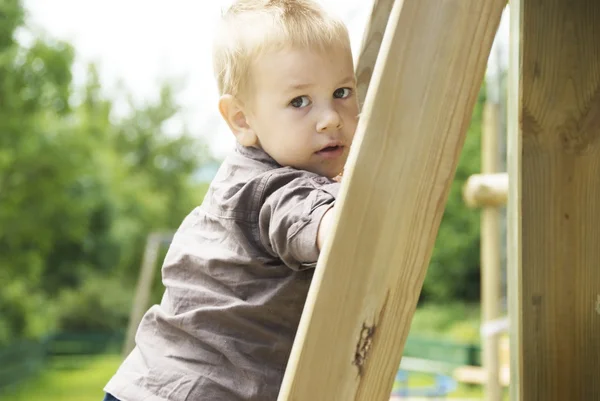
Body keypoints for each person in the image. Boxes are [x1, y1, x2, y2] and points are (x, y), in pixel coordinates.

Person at [102, 0, 359, 399]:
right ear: (242, 119)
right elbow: (335, 226)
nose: (330, 117)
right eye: (299, 101)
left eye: (342, 92)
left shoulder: (258, 172)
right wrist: (374, 186)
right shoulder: (267, 188)